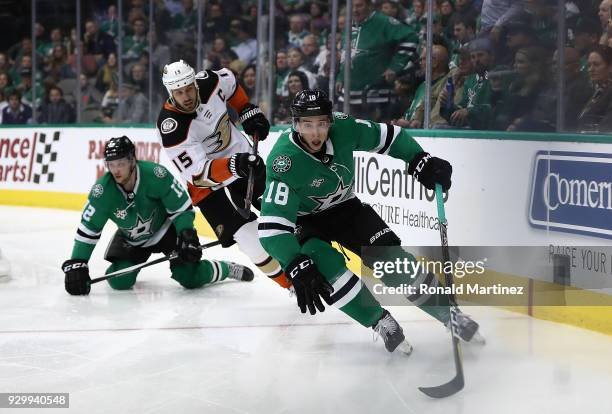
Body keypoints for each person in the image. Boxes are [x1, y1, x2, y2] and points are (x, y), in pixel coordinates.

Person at [258, 89, 482, 353]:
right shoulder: (284, 161)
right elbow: (272, 228)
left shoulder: (346, 127)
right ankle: (379, 321)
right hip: (304, 221)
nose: (316, 133)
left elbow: (391, 137)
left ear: (330, 120)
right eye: (308, 125)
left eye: (321, 124)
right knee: (328, 271)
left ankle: (449, 315)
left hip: (345, 208)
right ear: (295, 124)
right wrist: (294, 260)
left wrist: (419, 159)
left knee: (392, 262)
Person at [156, 60, 291, 290]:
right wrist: (232, 166)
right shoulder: (171, 128)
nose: (186, 96)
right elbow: (199, 174)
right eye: (179, 92)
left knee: (283, 212)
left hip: (242, 158)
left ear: (195, 83)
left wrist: (245, 108)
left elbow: (230, 83)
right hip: (207, 186)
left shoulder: (210, 81)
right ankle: (292, 285)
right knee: (249, 239)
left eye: (189, 88)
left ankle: (310, 257)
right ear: (171, 93)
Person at [61, 136, 253, 295]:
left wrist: (187, 234)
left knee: (189, 278)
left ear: (132, 160)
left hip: (165, 230)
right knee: (120, 281)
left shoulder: (155, 175)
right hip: (131, 238)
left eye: (121, 163)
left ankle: (227, 268)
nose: (116, 170)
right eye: (111, 164)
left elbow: (181, 208)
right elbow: (89, 229)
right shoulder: (102, 191)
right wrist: (78, 263)